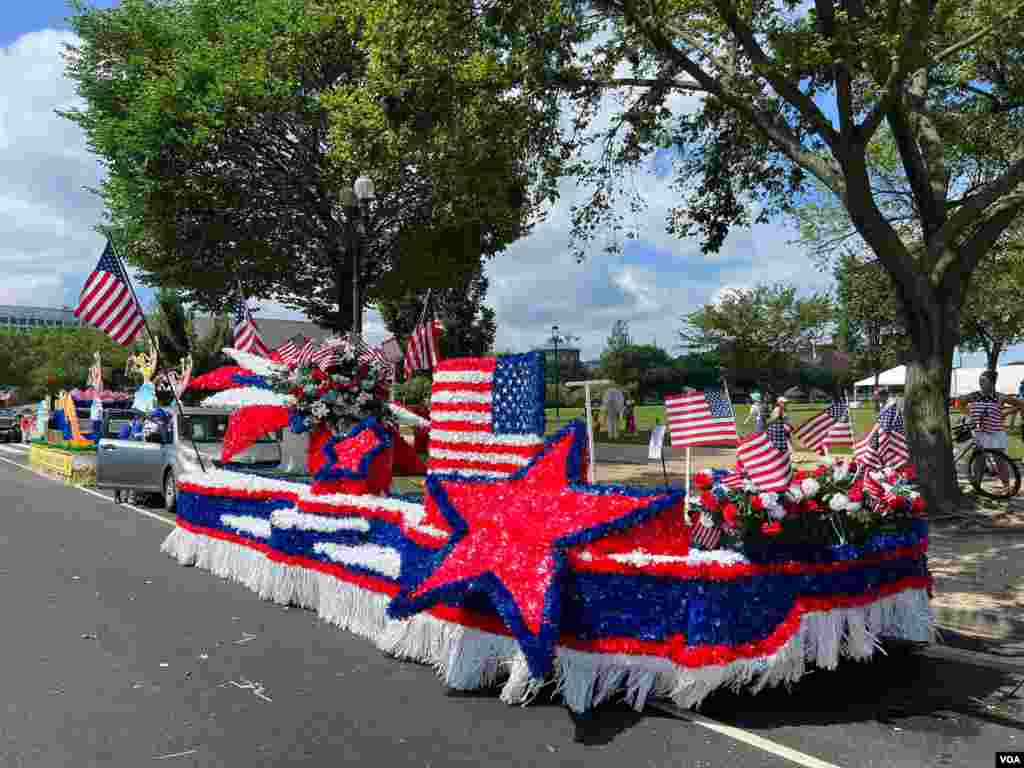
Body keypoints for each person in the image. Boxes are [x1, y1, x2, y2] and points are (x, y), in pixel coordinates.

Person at [961, 370, 1024, 494]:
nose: (980, 383)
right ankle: (977, 487)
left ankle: (1006, 487)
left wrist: (1005, 413)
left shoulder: (1000, 397)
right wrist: (969, 414)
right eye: (980, 380)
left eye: (984, 381)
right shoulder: (973, 396)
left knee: (1000, 462)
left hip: (995, 434)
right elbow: (959, 403)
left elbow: (1020, 404)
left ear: (992, 383)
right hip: (980, 433)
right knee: (978, 461)